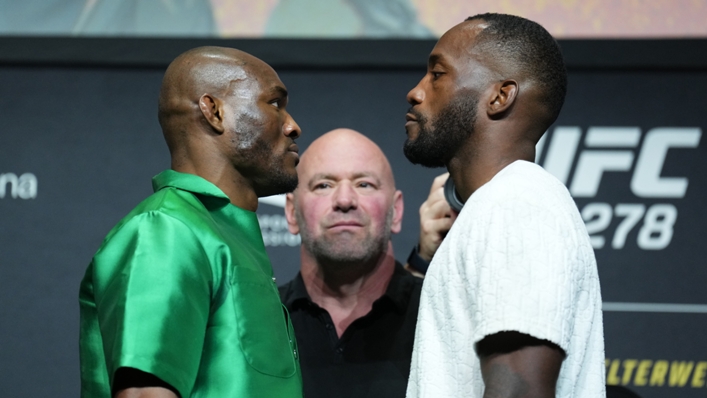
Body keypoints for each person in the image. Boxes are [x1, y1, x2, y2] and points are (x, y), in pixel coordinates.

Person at [79, 46, 304, 398]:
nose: (293, 126)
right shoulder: (166, 228)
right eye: (275, 103)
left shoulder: (224, 232)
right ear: (214, 112)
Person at [403, 13, 605, 398]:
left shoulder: (515, 205)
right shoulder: (496, 206)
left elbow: (519, 390)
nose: (415, 92)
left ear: (500, 97)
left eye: (437, 74)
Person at [279, 128, 422, 398]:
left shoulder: (438, 315)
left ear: (397, 211)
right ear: (291, 211)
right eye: (324, 185)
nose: (344, 200)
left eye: (364, 184)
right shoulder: (259, 321)